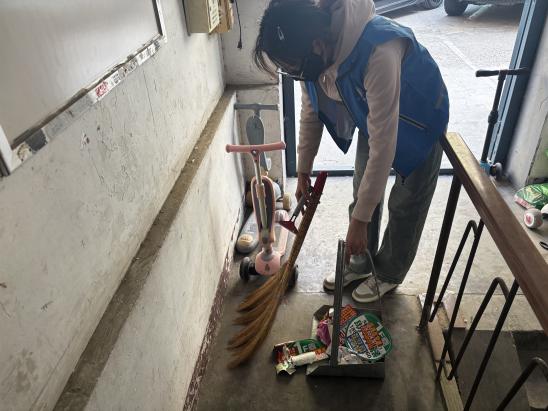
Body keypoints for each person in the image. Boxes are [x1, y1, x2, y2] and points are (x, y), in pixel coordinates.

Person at [253, 0, 449, 302]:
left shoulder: (378, 50)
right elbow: (311, 111)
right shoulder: (311, 56)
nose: (293, 72)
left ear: (317, 45)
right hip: (376, 114)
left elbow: (384, 145)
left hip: (420, 119)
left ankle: (388, 273)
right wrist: (303, 169)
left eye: (291, 66)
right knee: (363, 190)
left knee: (406, 204)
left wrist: (359, 222)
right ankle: (361, 263)